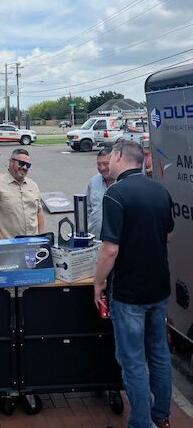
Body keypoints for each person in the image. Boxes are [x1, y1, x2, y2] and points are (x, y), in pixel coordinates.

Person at [94, 141, 174, 428]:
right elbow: (167, 237)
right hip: (158, 288)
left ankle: (141, 422)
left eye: (110, 156)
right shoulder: (160, 190)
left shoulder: (115, 194)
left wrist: (98, 282)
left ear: (118, 156)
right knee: (159, 353)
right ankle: (160, 415)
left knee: (133, 360)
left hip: (129, 293)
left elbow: (109, 249)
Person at [0, 148, 45, 239]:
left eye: (27, 165)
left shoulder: (33, 186)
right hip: (9, 245)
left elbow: (39, 211)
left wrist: (41, 237)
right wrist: (2, 242)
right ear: (11, 162)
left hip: (33, 243)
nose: (24, 167)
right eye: (21, 163)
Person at [85, 147, 114, 239]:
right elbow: (87, 208)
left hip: (116, 241)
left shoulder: (124, 183)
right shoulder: (93, 182)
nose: (102, 168)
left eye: (106, 164)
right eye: (99, 164)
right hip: (94, 238)